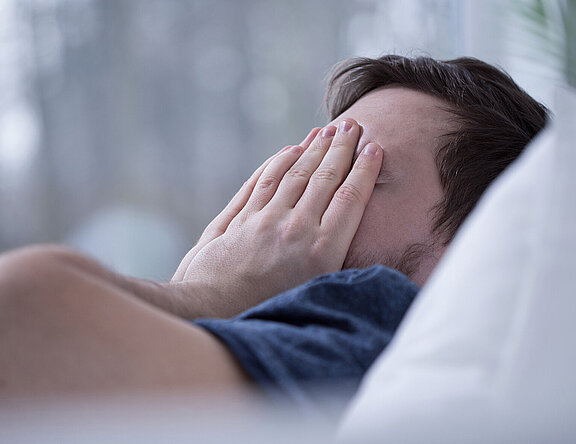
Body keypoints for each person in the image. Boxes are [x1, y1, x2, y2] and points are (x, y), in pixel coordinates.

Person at [0, 56, 547, 409]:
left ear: (476, 244)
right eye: (306, 164)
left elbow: (19, 314)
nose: (287, 199)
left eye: (351, 169)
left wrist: (206, 295)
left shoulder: (372, 317)